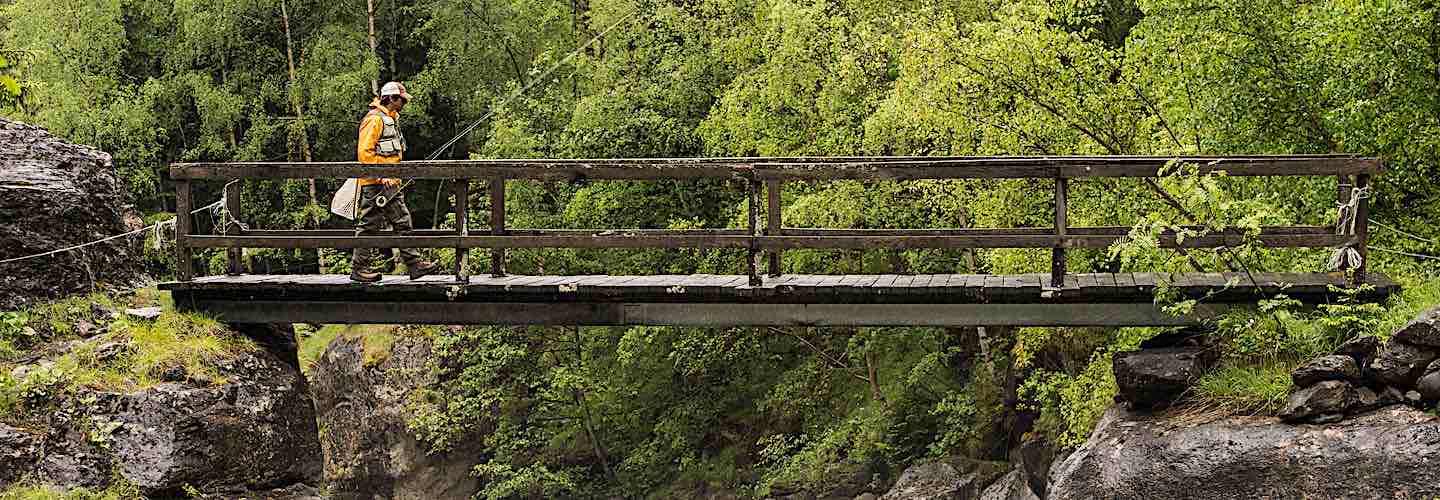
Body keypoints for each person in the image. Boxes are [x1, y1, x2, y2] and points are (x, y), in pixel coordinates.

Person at [350, 81, 436, 283]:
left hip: (390, 183)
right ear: (390, 98)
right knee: (369, 225)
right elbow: (365, 152)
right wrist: (383, 175)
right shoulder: (374, 120)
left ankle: (414, 265)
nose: (404, 103)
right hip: (375, 183)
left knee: (402, 221)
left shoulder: (390, 119)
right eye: (401, 99)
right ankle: (359, 268)